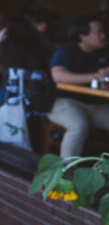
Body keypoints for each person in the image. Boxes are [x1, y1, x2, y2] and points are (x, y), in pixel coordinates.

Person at [48, 16, 109, 157]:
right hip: (65, 102)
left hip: (97, 104)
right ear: (83, 36)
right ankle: (67, 169)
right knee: (79, 125)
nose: (103, 36)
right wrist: (94, 76)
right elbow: (58, 76)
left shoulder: (105, 51)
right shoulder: (66, 50)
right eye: (99, 32)